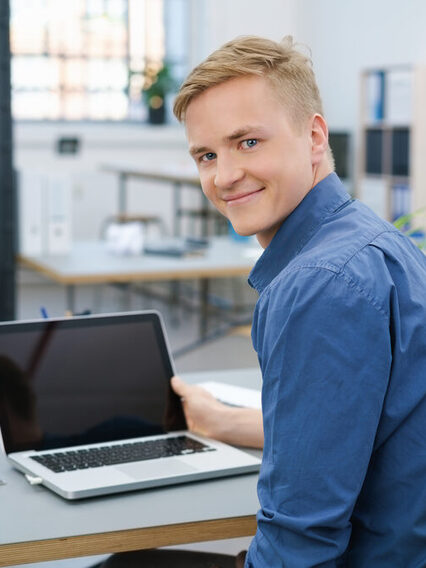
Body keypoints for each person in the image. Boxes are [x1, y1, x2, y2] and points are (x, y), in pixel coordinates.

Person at [100, 35, 426, 567]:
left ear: (314, 137)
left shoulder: (318, 284)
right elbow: (362, 428)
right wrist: (224, 423)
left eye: (248, 142)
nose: (224, 176)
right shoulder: (370, 239)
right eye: (207, 154)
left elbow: (302, 539)